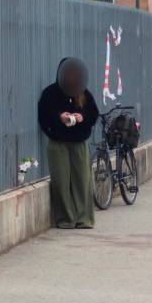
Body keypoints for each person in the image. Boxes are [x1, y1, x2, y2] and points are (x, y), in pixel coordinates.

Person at [38, 58, 100, 229]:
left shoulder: (84, 93)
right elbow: (43, 116)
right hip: (58, 142)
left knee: (83, 180)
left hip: (79, 142)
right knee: (61, 181)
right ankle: (66, 218)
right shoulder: (50, 93)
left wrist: (82, 118)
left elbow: (93, 114)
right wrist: (59, 117)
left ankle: (84, 218)